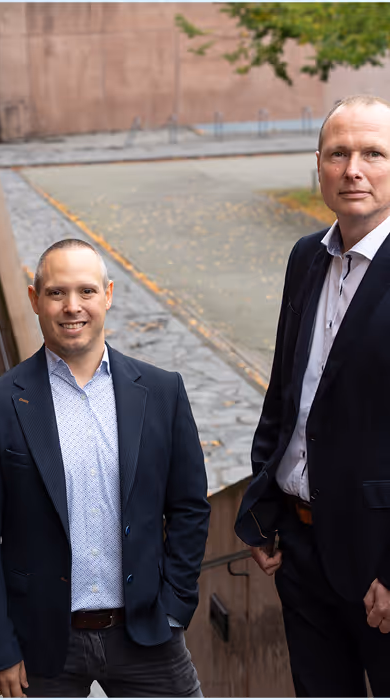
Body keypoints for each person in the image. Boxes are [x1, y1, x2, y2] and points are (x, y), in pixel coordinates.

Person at [0, 238, 210, 698]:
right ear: (35, 300)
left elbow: (189, 507)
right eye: (56, 293)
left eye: (86, 292)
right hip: (42, 646)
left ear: (108, 294)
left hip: (148, 635)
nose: (73, 307)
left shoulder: (162, 392)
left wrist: (174, 606)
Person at [235, 95, 390, 697]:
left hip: (377, 564)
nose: (353, 168)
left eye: (373, 153)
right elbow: (286, 393)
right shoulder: (306, 258)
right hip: (300, 550)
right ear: (318, 164)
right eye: (339, 153)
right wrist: (262, 504)